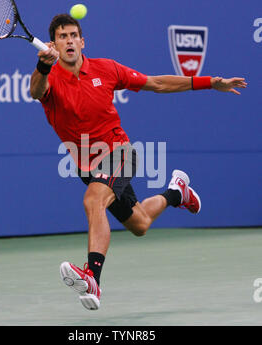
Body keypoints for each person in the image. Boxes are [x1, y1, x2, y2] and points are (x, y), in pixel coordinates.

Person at [30, 14, 247, 310]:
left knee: (94, 201)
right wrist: (43, 65)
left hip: (120, 155)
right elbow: (35, 91)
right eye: (62, 36)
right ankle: (177, 192)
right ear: (53, 44)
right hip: (87, 167)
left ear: (83, 42)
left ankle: (92, 276)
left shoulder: (106, 69)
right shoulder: (50, 79)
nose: (68, 41)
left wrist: (210, 82)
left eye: (73, 35)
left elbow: (157, 83)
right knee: (140, 223)